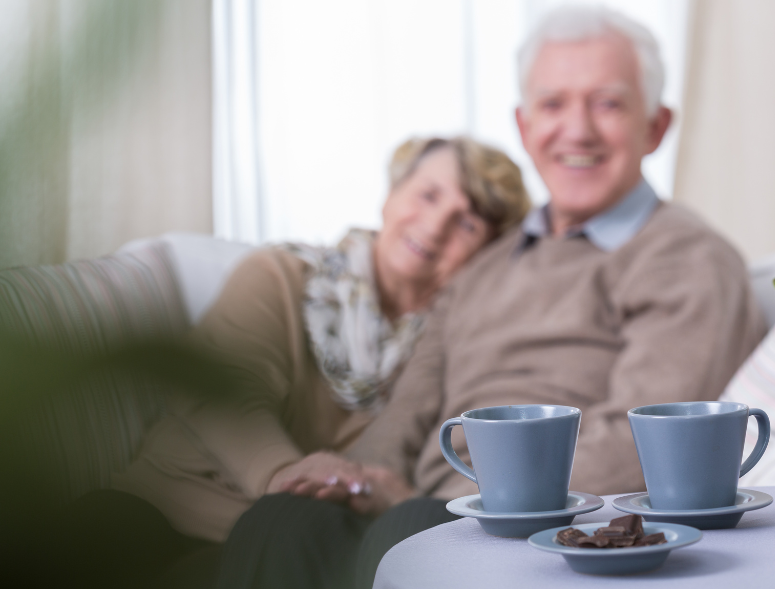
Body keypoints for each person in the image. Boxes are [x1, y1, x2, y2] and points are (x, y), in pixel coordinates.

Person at [343, 4, 768, 533]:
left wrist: (457, 506)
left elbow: (641, 448)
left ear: (656, 127)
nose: (577, 131)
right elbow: (407, 412)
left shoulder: (688, 258)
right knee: (282, 519)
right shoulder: (483, 264)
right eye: (552, 104)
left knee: (395, 531)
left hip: (543, 521)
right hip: (418, 508)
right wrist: (351, 479)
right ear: (524, 127)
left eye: (608, 104)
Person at [51, 136, 531, 589]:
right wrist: (283, 474)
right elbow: (224, 390)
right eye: (427, 195)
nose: (437, 224)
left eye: (467, 222)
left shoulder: (450, 353)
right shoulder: (281, 276)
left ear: (486, 253)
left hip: (281, 547)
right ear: (389, 196)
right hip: (161, 513)